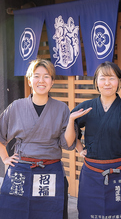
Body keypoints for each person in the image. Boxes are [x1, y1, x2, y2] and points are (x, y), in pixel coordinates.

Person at [64, 61, 121, 219]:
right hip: (92, 172)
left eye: (112, 78)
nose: (107, 83)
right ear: (96, 82)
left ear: (119, 81)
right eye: (102, 78)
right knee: (89, 213)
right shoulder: (86, 106)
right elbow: (68, 140)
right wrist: (78, 142)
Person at [0, 59, 76, 219]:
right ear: (29, 80)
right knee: (15, 213)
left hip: (50, 171)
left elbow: (68, 144)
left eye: (46, 76)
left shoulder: (62, 108)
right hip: (20, 170)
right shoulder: (16, 106)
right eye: (36, 76)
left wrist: (71, 121)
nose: (41, 81)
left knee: (49, 214)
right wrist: (5, 157)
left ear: (53, 81)